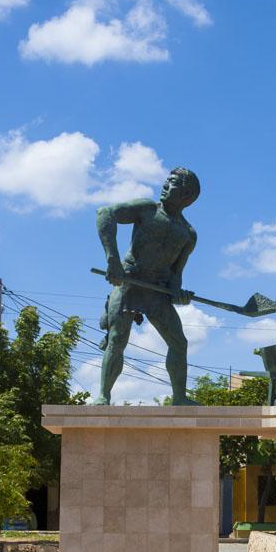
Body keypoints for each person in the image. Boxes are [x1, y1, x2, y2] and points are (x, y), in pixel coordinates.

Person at [94, 167, 200, 405]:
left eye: (172, 183)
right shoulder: (147, 209)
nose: (164, 185)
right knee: (117, 339)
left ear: (186, 195)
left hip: (157, 292)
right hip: (129, 282)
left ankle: (180, 397)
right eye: (166, 180)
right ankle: (104, 395)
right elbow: (105, 213)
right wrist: (112, 259)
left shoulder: (188, 234)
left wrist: (179, 294)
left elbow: (175, 277)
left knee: (179, 343)